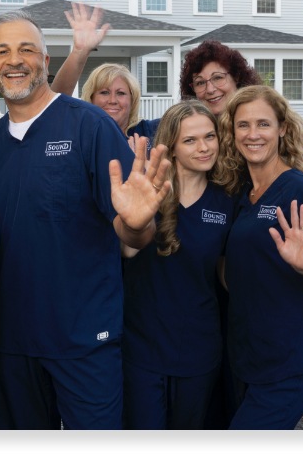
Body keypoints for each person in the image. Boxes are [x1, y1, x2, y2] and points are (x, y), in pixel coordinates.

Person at [0, 9, 171, 430]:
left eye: (27, 49)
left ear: (46, 61)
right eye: (1, 51)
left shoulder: (90, 127)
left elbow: (134, 237)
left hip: (84, 342)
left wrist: (136, 221)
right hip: (12, 344)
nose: (14, 59)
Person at [212, 85, 303, 429]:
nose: (252, 134)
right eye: (243, 125)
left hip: (291, 358)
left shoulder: (301, 190)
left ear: (282, 128)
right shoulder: (243, 193)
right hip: (247, 355)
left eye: (263, 124)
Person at [121, 101, 234, 429]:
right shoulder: (145, 191)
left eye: (209, 137)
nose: (204, 147)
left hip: (198, 349)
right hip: (143, 348)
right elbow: (127, 251)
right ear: (171, 145)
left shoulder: (227, 200)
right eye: (191, 140)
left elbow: (229, 276)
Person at [180, 39, 303, 178]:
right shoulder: (188, 134)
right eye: (200, 82)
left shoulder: (278, 128)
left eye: (218, 78)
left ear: (236, 77)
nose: (210, 89)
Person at [81, 63, 160, 146]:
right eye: (104, 92)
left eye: (120, 93)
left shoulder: (152, 130)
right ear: (91, 97)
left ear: (132, 99)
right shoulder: (79, 136)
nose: (112, 100)